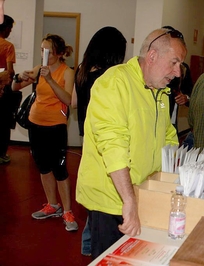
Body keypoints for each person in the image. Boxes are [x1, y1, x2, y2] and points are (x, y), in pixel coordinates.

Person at [76, 27, 186, 259]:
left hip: (141, 194)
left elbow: (168, 135)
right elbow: (113, 144)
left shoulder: (161, 92)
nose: (177, 72)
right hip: (112, 199)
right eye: (174, 63)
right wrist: (129, 200)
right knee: (111, 260)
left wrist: (171, 176)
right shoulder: (115, 83)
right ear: (153, 56)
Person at [12, 34, 78, 231]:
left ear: (57, 53)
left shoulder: (67, 72)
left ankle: (67, 210)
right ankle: (52, 205)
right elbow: (15, 87)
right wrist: (19, 77)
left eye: (47, 51)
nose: (43, 54)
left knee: (59, 169)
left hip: (55, 125)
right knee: (43, 167)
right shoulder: (38, 69)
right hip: (35, 123)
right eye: (41, 50)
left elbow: (68, 100)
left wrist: (49, 79)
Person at [71, 26, 127, 257]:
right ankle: (93, 242)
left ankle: (87, 243)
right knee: (104, 191)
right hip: (103, 135)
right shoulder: (109, 77)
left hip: (87, 134)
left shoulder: (81, 71)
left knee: (92, 187)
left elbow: (74, 103)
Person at [162, 26, 193, 130]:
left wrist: (185, 98)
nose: (177, 73)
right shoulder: (153, 70)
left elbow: (190, 93)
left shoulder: (183, 69)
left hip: (172, 121)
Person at [0, 14, 15, 164]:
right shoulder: (7, 46)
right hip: (2, 90)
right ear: (5, 28)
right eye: (10, 28)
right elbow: (10, 71)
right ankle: (2, 154)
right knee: (4, 123)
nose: (10, 31)